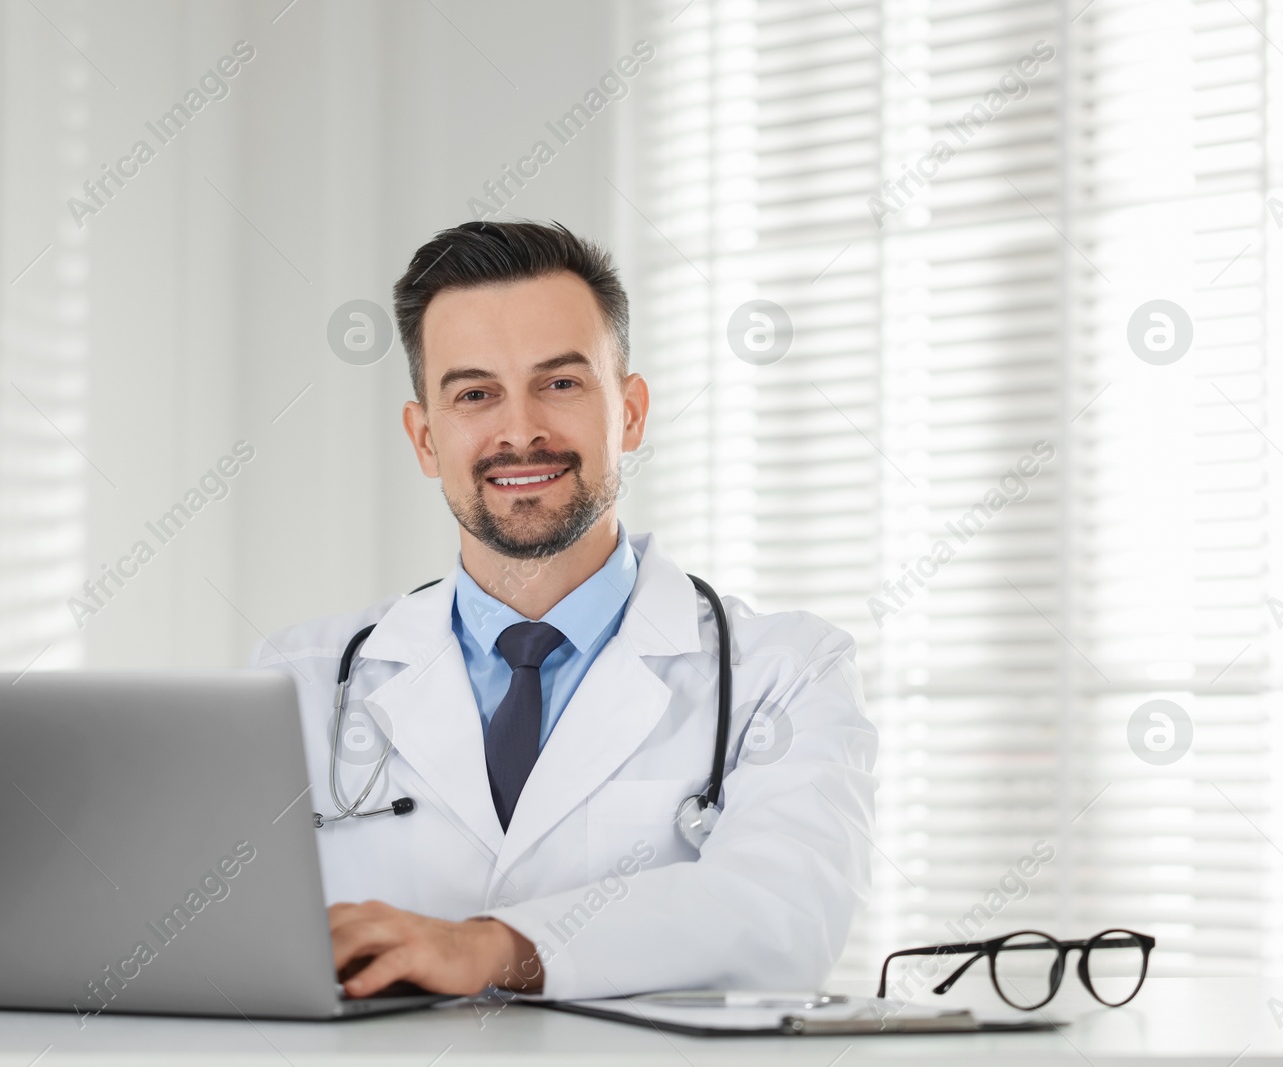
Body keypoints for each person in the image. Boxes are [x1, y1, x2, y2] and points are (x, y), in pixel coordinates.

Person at [254, 220, 876, 1002]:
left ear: (632, 412)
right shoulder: (296, 684)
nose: (520, 431)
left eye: (560, 383)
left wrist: (491, 948)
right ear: (423, 438)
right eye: (475, 394)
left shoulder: (785, 673)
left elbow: (784, 914)